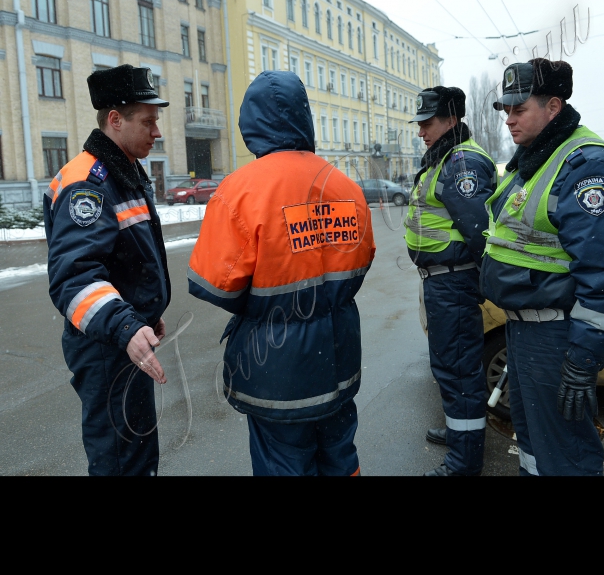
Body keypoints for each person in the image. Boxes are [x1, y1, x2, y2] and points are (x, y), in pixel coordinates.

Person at [188, 70, 376, 476]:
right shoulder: (345, 185)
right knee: (341, 457)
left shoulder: (239, 191)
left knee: (284, 465)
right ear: (304, 118)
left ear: (250, 124)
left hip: (278, 372)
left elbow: (214, 284)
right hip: (340, 356)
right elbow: (360, 263)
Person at [481, 58, 604, 476]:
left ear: (553, 107)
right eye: (505, 110)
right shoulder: (533, 159)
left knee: (566, 454)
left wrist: (583, 359)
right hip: (526, 331)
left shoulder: (586, 165)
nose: (509, 120)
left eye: (519, 109)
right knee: (533, 445)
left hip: (556, 336)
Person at [44, 64, 170, 476]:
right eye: (148, 121)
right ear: (115, 120)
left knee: (135, 454)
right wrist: (126, 325)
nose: (157, 132)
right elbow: (75, 278)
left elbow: (123, 257)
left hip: (122, 336)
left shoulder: (123, 169)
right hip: (106, 347)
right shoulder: (89, 182)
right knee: (120, 460)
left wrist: (144, 311)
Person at [404, 86, 497, 476]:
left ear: (453, 120)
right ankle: (461, 432)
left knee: (458, 371)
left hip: (453, 284)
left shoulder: (462, 164)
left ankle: (463, 462)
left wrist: (474, 284)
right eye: (420, 123)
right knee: (449, 368)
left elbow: (479, 234)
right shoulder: (445, 158)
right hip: (442, 283)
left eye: (428, 123)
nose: (421, 131)